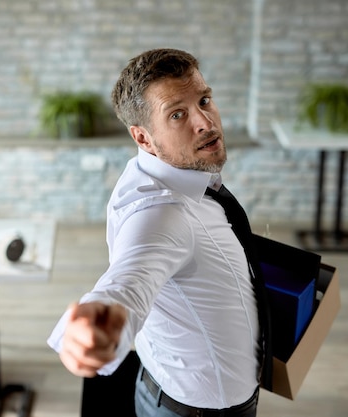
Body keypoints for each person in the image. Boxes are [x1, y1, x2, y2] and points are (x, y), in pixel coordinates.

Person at [47, 48, 271, 417]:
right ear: (143, 137)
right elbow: (129, 279)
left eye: (205, 100)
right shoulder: (162, 212)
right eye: (177, 114)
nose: (205, 122)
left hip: (169, 387)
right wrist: (96, 322)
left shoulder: (158, 173)